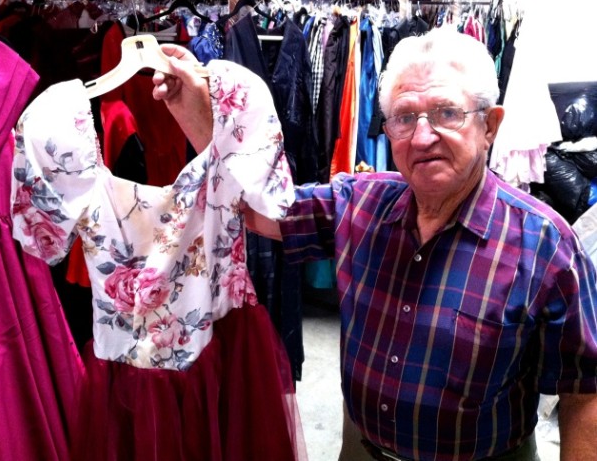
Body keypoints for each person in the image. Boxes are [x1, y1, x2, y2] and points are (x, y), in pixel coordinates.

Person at [153, 28, 597, 461]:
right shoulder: (360, 203)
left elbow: (585, 391)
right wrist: (192, 107)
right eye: (404, 118)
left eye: (447, 113)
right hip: (361, 449)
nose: (422, 137)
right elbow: (255, 208)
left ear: (490, 126)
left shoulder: (546, 246)